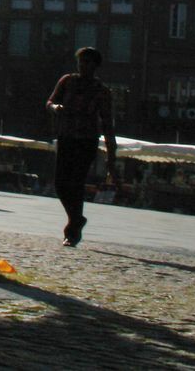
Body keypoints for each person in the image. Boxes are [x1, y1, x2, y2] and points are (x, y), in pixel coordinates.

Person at [46, 46, 118, 247]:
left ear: (95, 66)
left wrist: (112, 153)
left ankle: (72, 231)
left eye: (87, 62)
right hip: (67, 136)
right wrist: (55, 108)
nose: (83, 66)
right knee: (60, 183)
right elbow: (50, 101)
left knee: (76, 183)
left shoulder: (101, 91)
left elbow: (106, 122)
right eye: (81, 62)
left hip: (86, 140)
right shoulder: (67, 81)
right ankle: (76, 218)